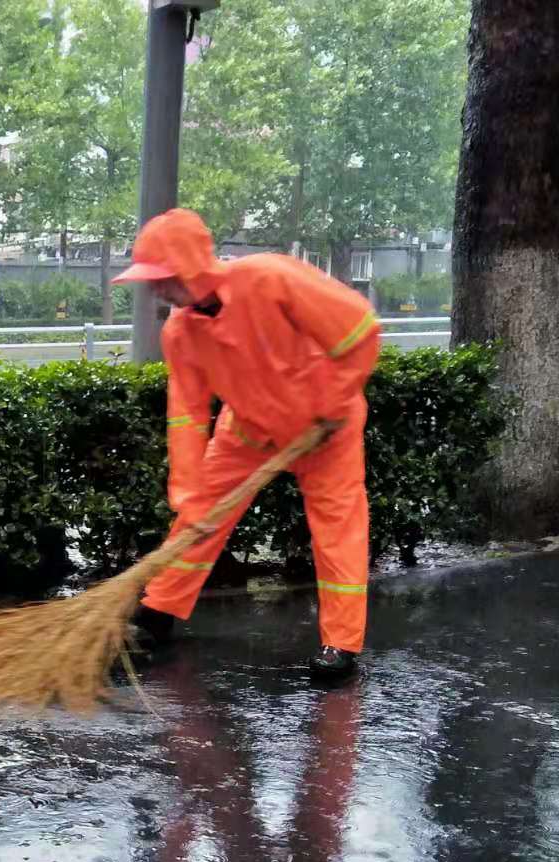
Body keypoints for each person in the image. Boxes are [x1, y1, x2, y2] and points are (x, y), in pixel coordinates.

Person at [113, 209, 379, 679]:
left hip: (326, 430)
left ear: (190, 267)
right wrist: (189, 490)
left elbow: (358, 329)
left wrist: (335, 401)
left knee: (338, 531)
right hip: (249, 432)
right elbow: (187, 416)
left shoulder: (270, 278)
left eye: (163, 277)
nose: (155, 289)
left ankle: (341, 645)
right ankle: (157, 615)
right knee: (198, 517)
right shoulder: (180, 332)